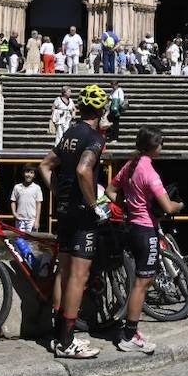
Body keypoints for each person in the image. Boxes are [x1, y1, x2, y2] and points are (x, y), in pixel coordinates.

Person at [39, 84, 110, 359]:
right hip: (82, 213)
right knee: (78, 278)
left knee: (64, 273)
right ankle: (68, 342)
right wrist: (96, 205)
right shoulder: (94, 138)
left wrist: (57, 190)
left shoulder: (69, 133)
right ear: (101, 110)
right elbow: (84, 170)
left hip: (64, 210)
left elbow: (45, 165)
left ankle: (59, 336)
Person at [107, 126, 184, 354]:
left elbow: (111, 190)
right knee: (142, 283)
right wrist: (180, 205)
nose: (162, 147)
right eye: (161, 143)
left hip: (131, 225)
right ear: (153, 147)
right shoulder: (149, 172)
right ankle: (129, 335)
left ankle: (131, 329)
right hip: (145, 229)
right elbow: (168, 206)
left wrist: (127, 205)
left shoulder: (130, 165)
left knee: (140, 282)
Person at [10, 165, 43, 232]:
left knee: (31, 241)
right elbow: (13, 201)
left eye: (31, 173)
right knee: (20, 240)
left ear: (34, 175)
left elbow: (38, 204)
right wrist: (14, 213)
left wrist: (37, 220)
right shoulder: (17, 187)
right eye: (27, 172)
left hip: (32, 220)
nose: (29, 175)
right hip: (20, 219)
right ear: (23, 173)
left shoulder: (37, 188)